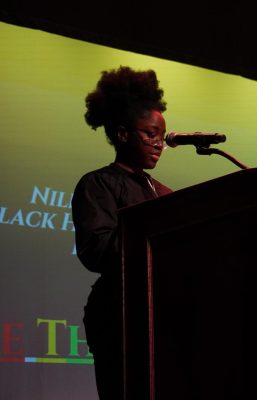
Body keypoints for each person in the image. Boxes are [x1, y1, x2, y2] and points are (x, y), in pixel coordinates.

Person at [72, 66, 172, 400]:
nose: (159, 144)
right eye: (149, 134)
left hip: (169, 322)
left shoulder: (165, 193)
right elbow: (96, 248)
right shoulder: (99, 184)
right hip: (122, 320)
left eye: (161, 136)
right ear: (122, 134)